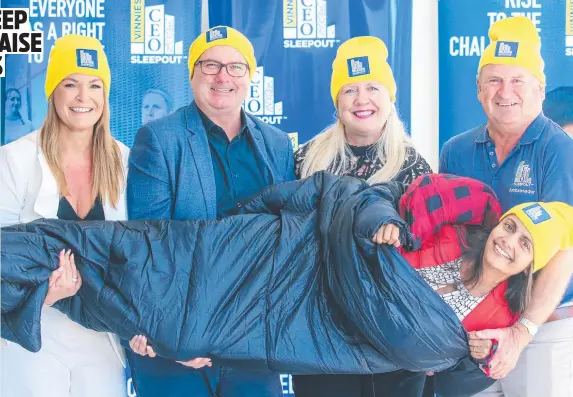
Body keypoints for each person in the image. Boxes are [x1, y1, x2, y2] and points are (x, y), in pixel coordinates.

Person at [3, 172, 573, 396]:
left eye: (525, 245)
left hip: (288, 321)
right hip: (273, 258)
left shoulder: (490, 328)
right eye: (511, 226)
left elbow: (312, 350)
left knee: (119, 300)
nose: (508, 241)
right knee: (109, 246)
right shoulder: (443, 232)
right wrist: (378, 225)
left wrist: (219, 354)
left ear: (531, 267)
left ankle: (33, 294)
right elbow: (350, 199)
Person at [126, 26, 295, 397]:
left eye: (236, 66)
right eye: (211, 65)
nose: (223, 76)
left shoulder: (277, 145)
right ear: (192, 74)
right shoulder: (158, 138)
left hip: (250, 338)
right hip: (177, 337)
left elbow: (287, 243)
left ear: (249, 76)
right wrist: (176, 336)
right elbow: (150, 243)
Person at [440, 16, 573, 397]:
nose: (505, 91)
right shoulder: (456, 151)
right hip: (471, 332)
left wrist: (520, 332)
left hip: (543, 328)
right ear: (479, 89)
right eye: (494, 80)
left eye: (518, 80)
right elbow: (447, 245)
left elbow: (566, 250)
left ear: (540, 89)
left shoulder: (559, 150)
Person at [293, 36, 432, 397]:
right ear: (336, 101)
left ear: (390, 97)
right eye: (349, 89)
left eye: (373, 87)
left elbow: (430, 254)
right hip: (321, 337)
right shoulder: (305, 159)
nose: (361, 99)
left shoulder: (415, 167)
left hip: (394, 337)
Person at [0, 34, 129, 397]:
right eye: (70, 84)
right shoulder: (14, 160)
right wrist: (45, 294)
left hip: (102, 338)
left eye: (94, 86)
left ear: (105, 95)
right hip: (35, 331)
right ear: (52, 91)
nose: (82, 98)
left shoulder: (126, 163)